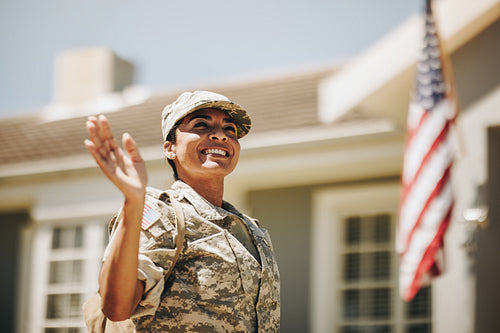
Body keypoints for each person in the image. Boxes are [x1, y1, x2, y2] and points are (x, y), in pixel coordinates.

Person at [84, 90, 280, 332]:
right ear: (170, 148)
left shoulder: (251, 229)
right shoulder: (162, 214)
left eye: (230, 129)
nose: (220, 135)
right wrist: (133, 202)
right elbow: (117, 307)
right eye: (201, 125)